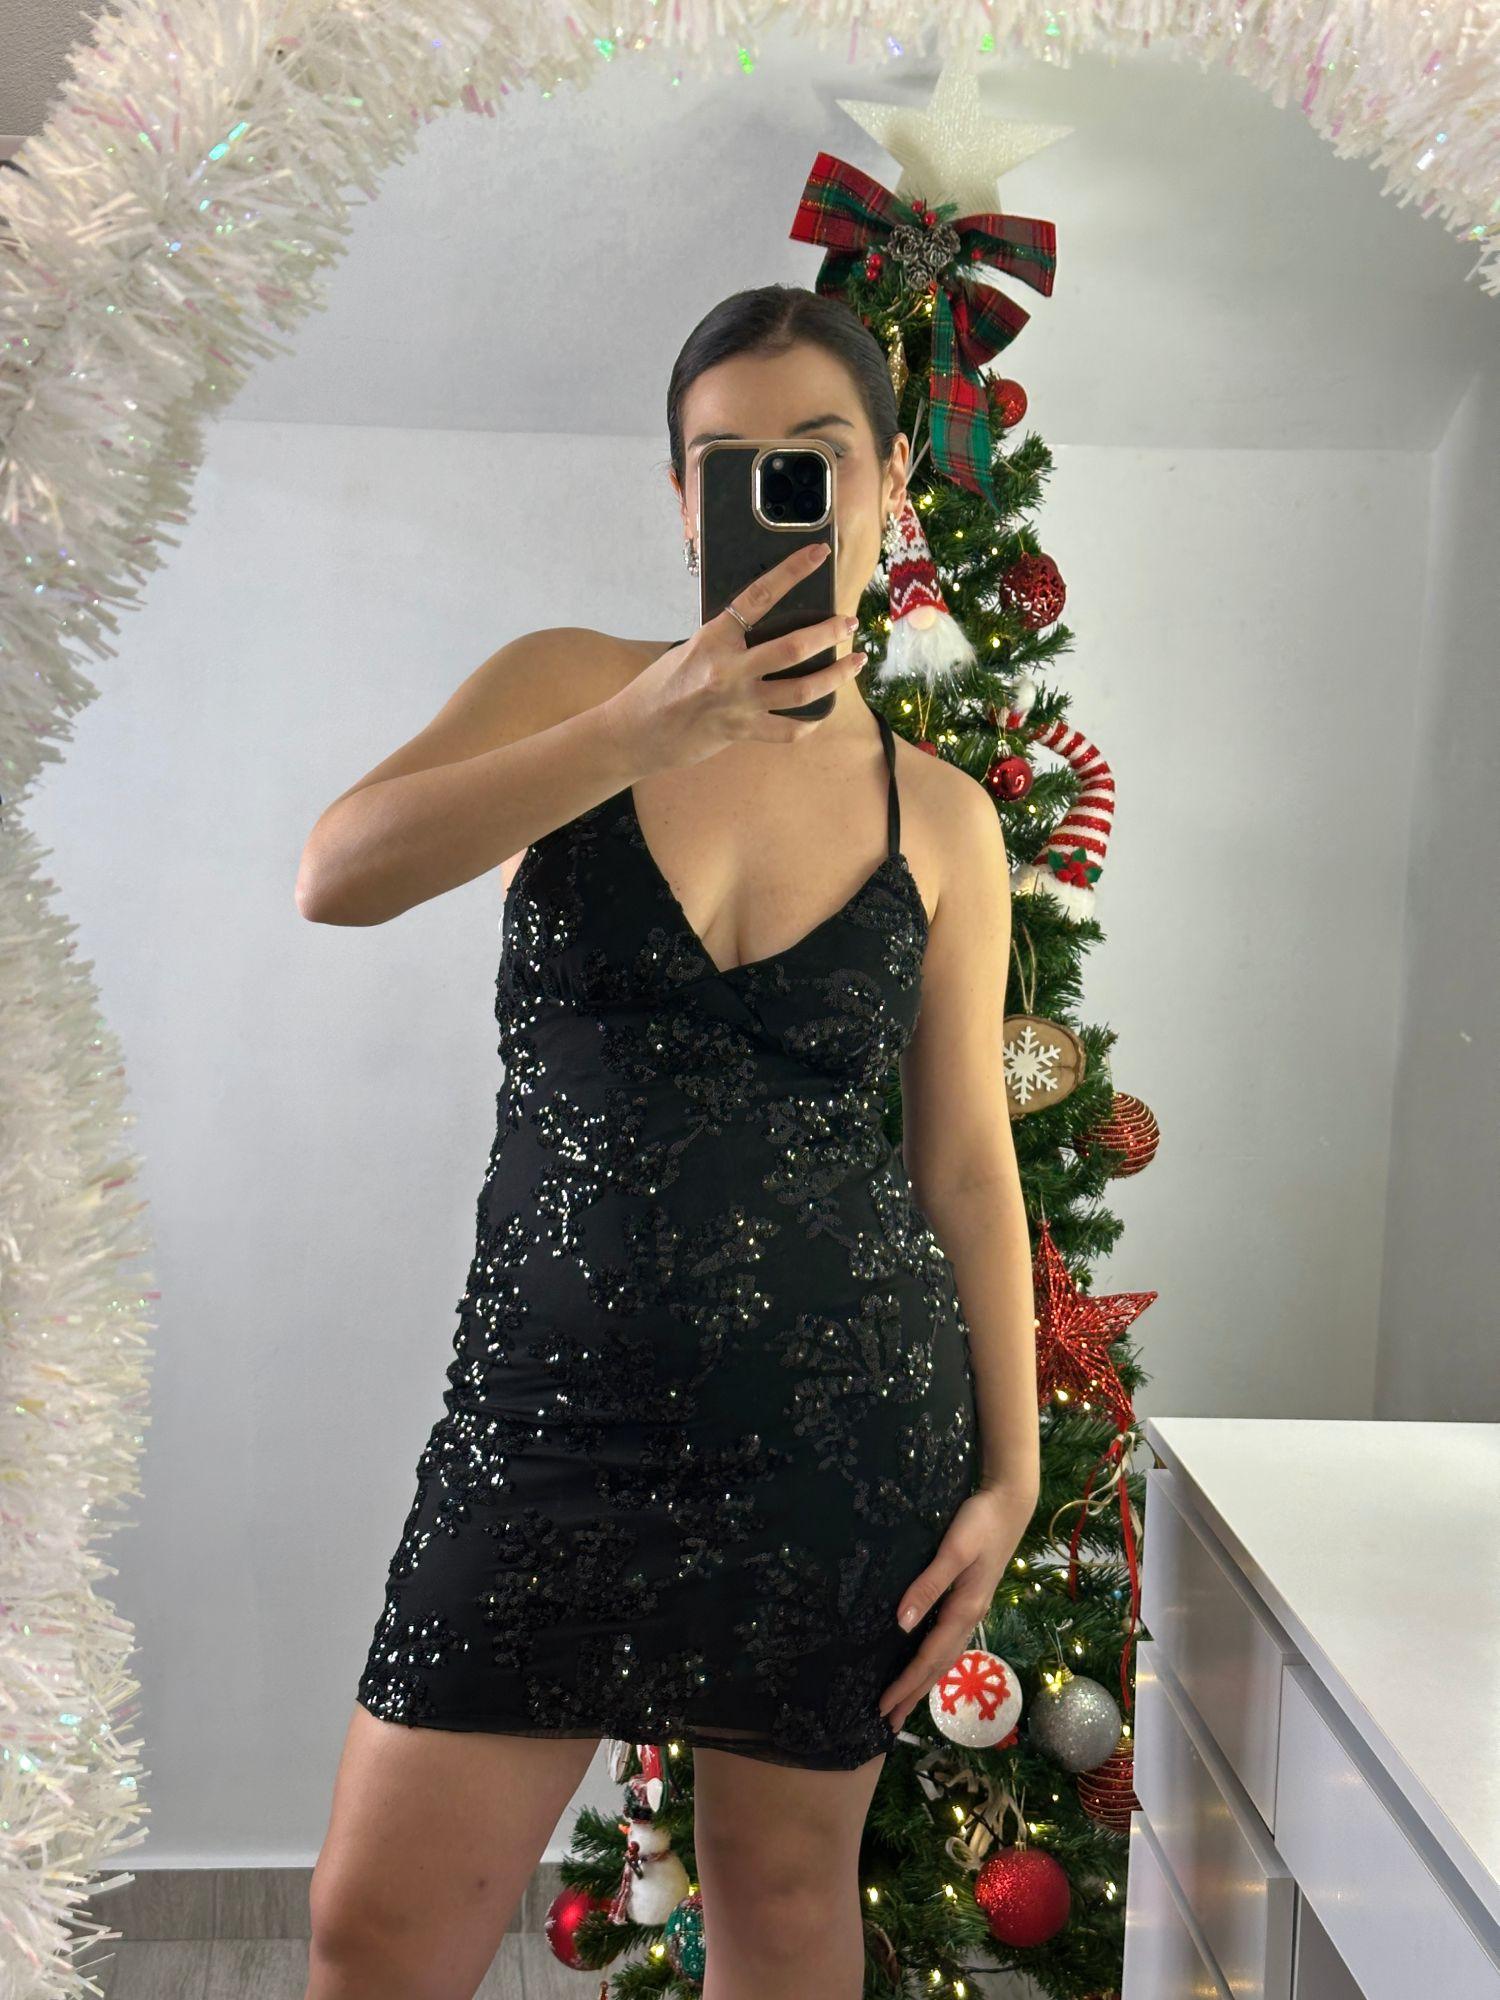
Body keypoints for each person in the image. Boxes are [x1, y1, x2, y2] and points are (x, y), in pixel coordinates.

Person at [295, 283, 1040, 2000]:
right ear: (683, 500)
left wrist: (1010, 1477)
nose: (775, 497)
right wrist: (640, 730)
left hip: (836, 1446)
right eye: (727, 464)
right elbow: (338, 873)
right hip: (541, 1429)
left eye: (816, 458)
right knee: (371, 1928)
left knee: (781, 1905)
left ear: (891, 488)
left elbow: (965, 1170)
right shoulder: (568, 685)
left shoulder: (943, 816)